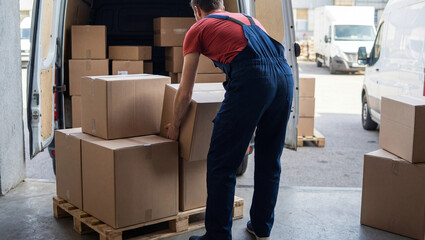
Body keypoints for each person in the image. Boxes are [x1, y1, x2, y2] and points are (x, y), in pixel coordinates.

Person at [165, 0, 294, 239]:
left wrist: (175, 125)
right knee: (269, 159)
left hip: (254, 80)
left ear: (196, 10)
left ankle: (217, 235)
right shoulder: (250, 20)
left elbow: (185, 91)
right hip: (285, 78)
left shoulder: (199, 28)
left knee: (221, 163)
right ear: (222, 5)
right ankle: (262, 226)